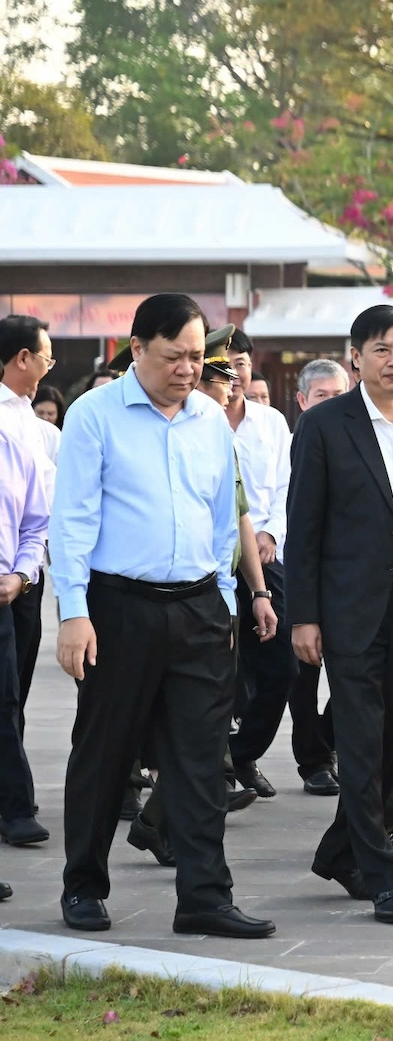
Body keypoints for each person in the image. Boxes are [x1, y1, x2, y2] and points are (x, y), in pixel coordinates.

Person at [49, 293, 274, 938]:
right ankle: (84, 886)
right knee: (106, 750)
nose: (187, 368)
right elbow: (73, 521)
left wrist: (227, 603)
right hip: (119, 608)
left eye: (198, 356)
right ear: (137, 347)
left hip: (200, 608)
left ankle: (204, 895)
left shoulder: (209, 418)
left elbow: (217, 516)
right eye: (173, 356)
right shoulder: (94, 415)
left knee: (203, 760)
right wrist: (73, 611)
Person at [287, 305, 393, 926]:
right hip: (350, 604)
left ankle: (339, 851)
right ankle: (380, 872)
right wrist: (303, 615)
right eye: (383, 350)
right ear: (356, 356)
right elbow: (302, 527)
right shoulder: (326, 425)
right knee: (361, 738)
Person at [221, 330, 297, 802]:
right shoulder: (197, 419)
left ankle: (241, 751)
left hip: (266, 561)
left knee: (281, 669)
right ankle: (219, 770)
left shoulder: (272, 423)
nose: (235, 375)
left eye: (243, 364)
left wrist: (271, 533)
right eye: (225, 365)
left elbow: (289, 487)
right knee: (222, 674)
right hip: (209, 564)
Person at [287, 359, 351, 798]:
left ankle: (331, 744)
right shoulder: (297, 439)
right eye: (322, 396)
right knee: (302, 675)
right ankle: (312, 760)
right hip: (300, 570)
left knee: (356, 677)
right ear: (303, 401)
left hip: (350, 579)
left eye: (338, 395)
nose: (330, 404)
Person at [0, 315, 59, 730]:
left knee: (13, 694)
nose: (48, 368)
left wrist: (23, 573)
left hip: (23, 578)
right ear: (23, 358)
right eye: (46, 359)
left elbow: (41, 511)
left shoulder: (33, 425)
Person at [0, 421, 48, 854]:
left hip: (3, 596)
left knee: (6, 702)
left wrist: (19, 575)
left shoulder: (14, 443)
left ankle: (15, 810)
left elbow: (36, 524)